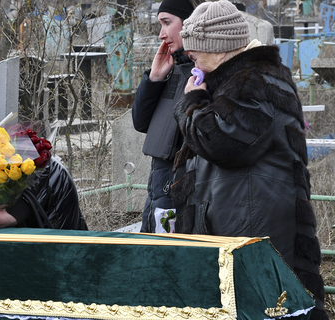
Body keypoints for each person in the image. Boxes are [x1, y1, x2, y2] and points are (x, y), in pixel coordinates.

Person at [171, 1, 327, 319]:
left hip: (254, 239)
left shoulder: (253, 82)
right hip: (242, 233)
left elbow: (219, 142)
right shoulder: (238, 81)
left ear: (218, 47)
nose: (190, 55)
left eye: (196, 48)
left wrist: (191, 101)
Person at [131, 0, 196, 232]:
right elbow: (141, 122)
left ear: (190, 24)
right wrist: (155, 78)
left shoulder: (201, 75)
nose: (161, 35)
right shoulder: (175, 69)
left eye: (167, 23)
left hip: (177, 191)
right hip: (159, 189)